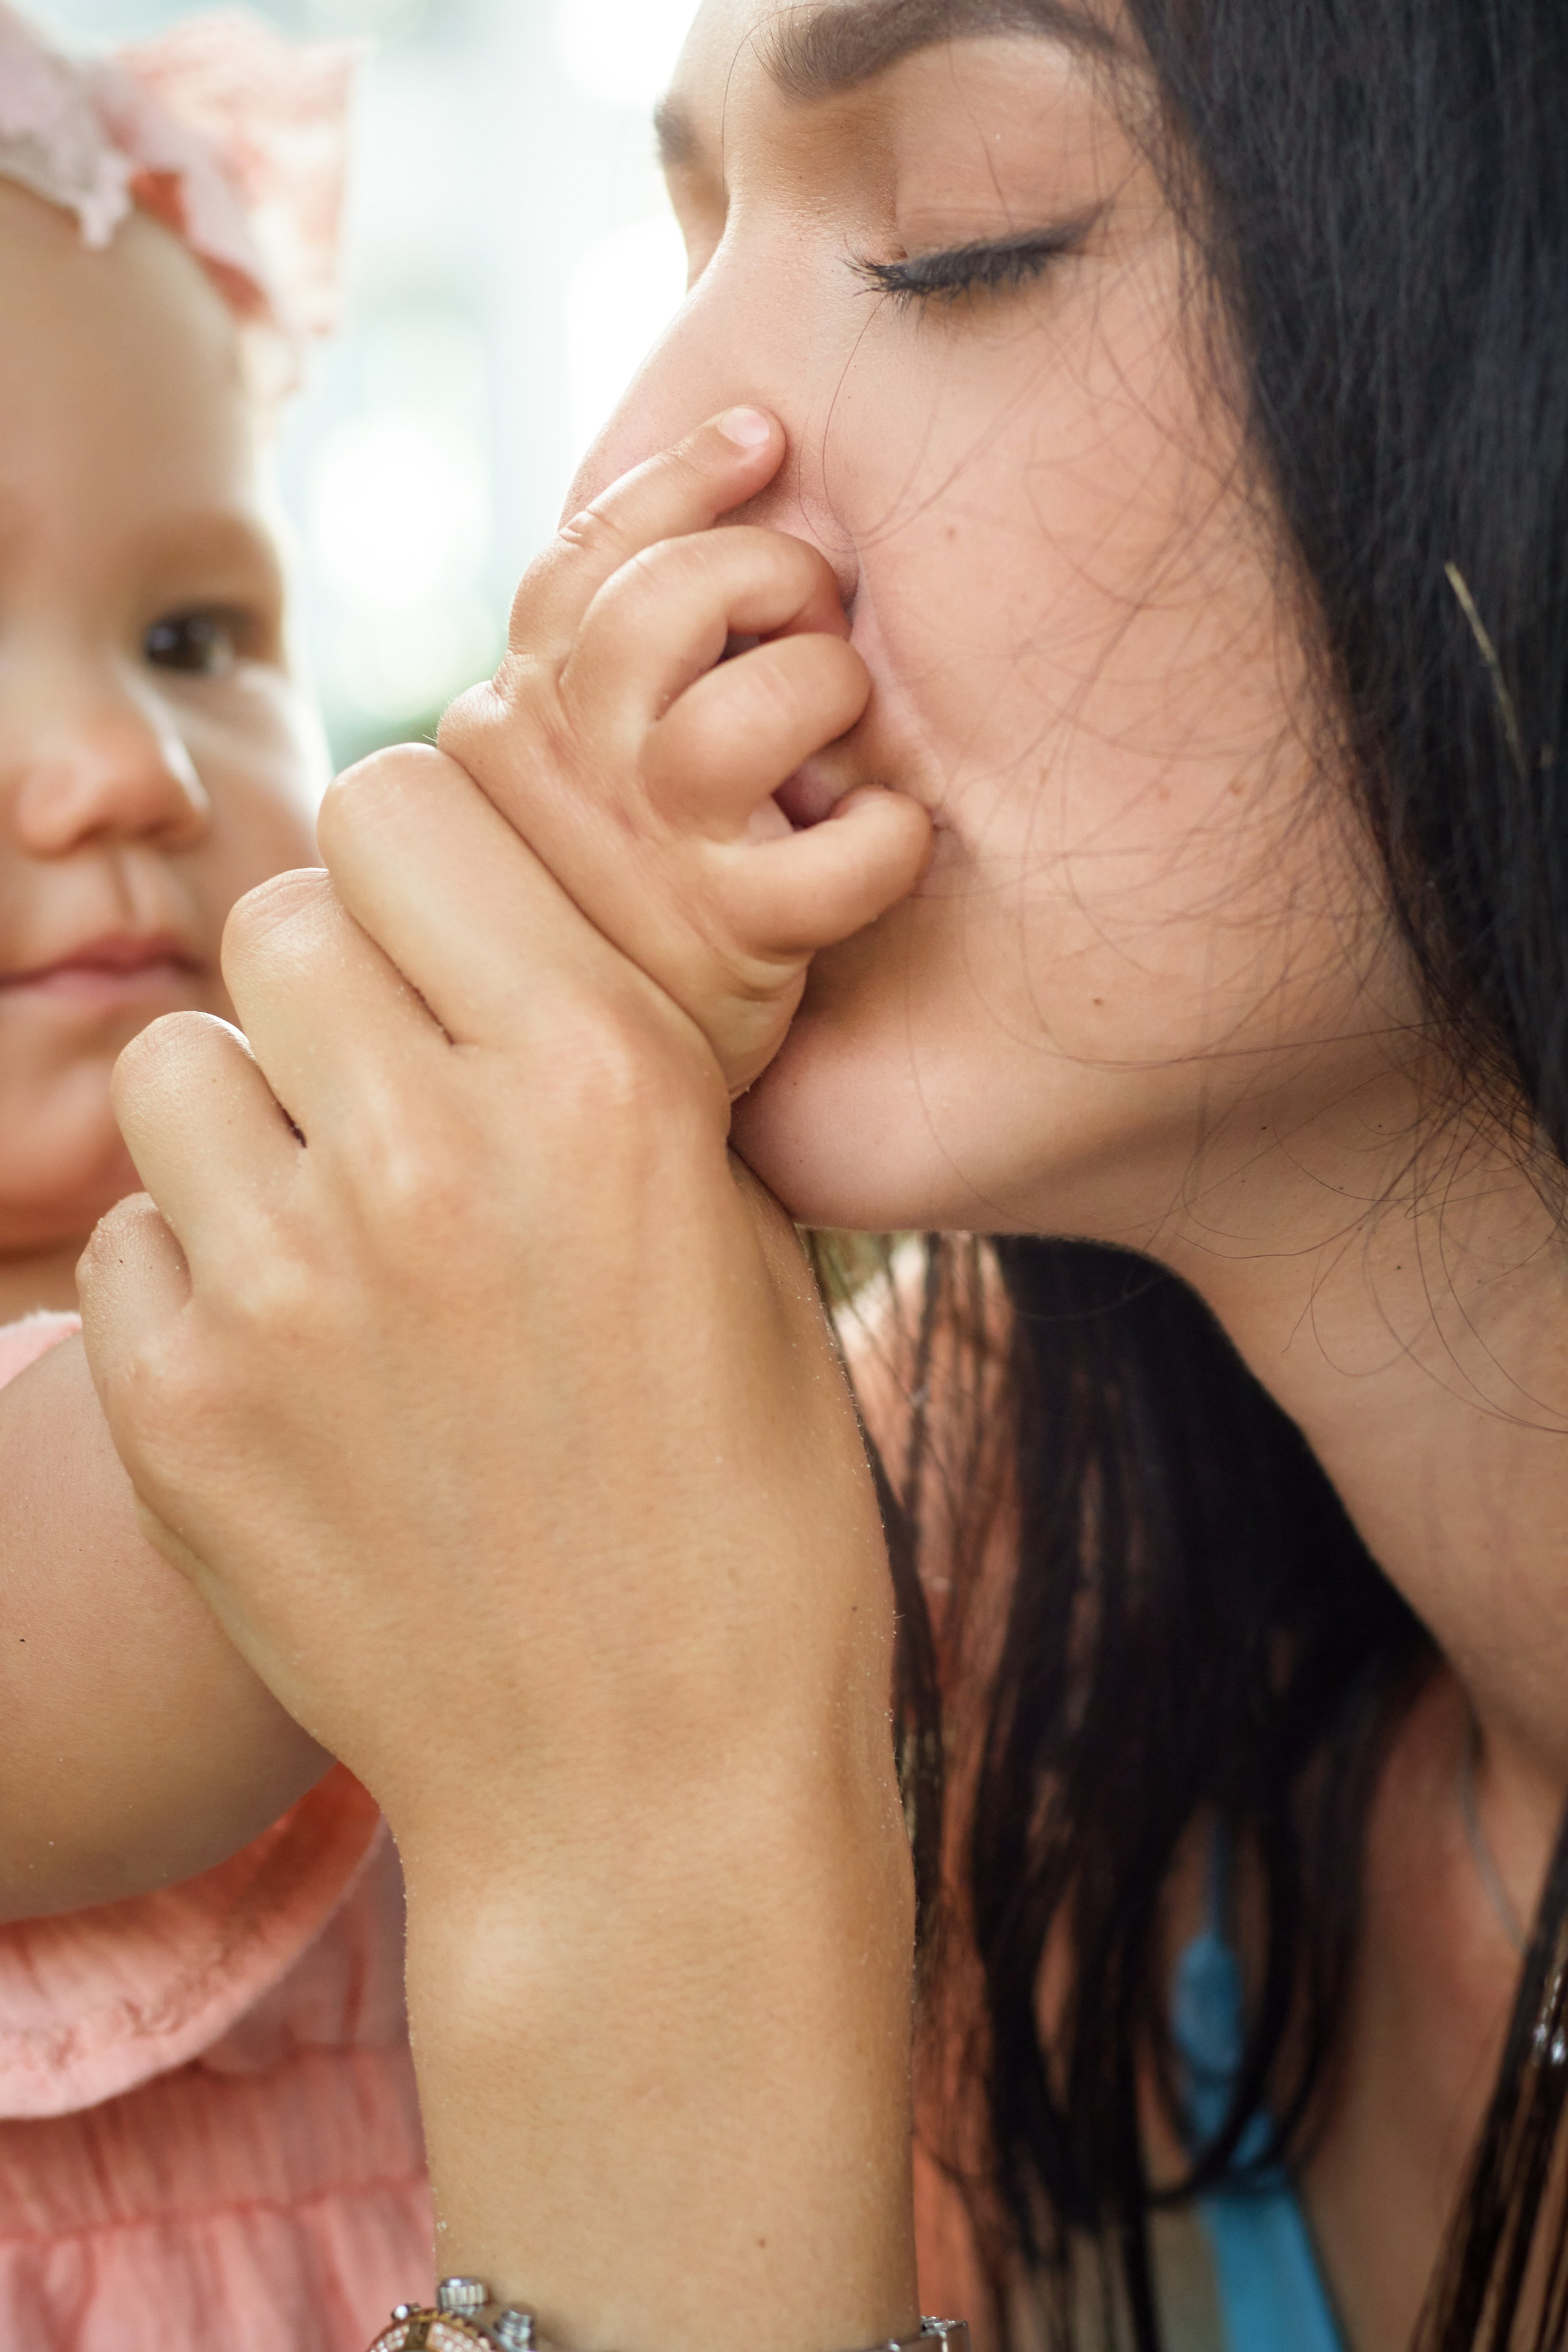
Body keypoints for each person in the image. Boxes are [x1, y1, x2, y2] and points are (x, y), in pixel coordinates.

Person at [45, 2, 1568, 2351]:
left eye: (959, 242)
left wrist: (633, 1832)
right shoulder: (1012, 1564)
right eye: (689, 251)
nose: (620, 485)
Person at [0, 12, 444, 2346]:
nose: (121, 763)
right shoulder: (350, 1304)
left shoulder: (309, 1197)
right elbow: (213, 1517)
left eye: (197, 635)